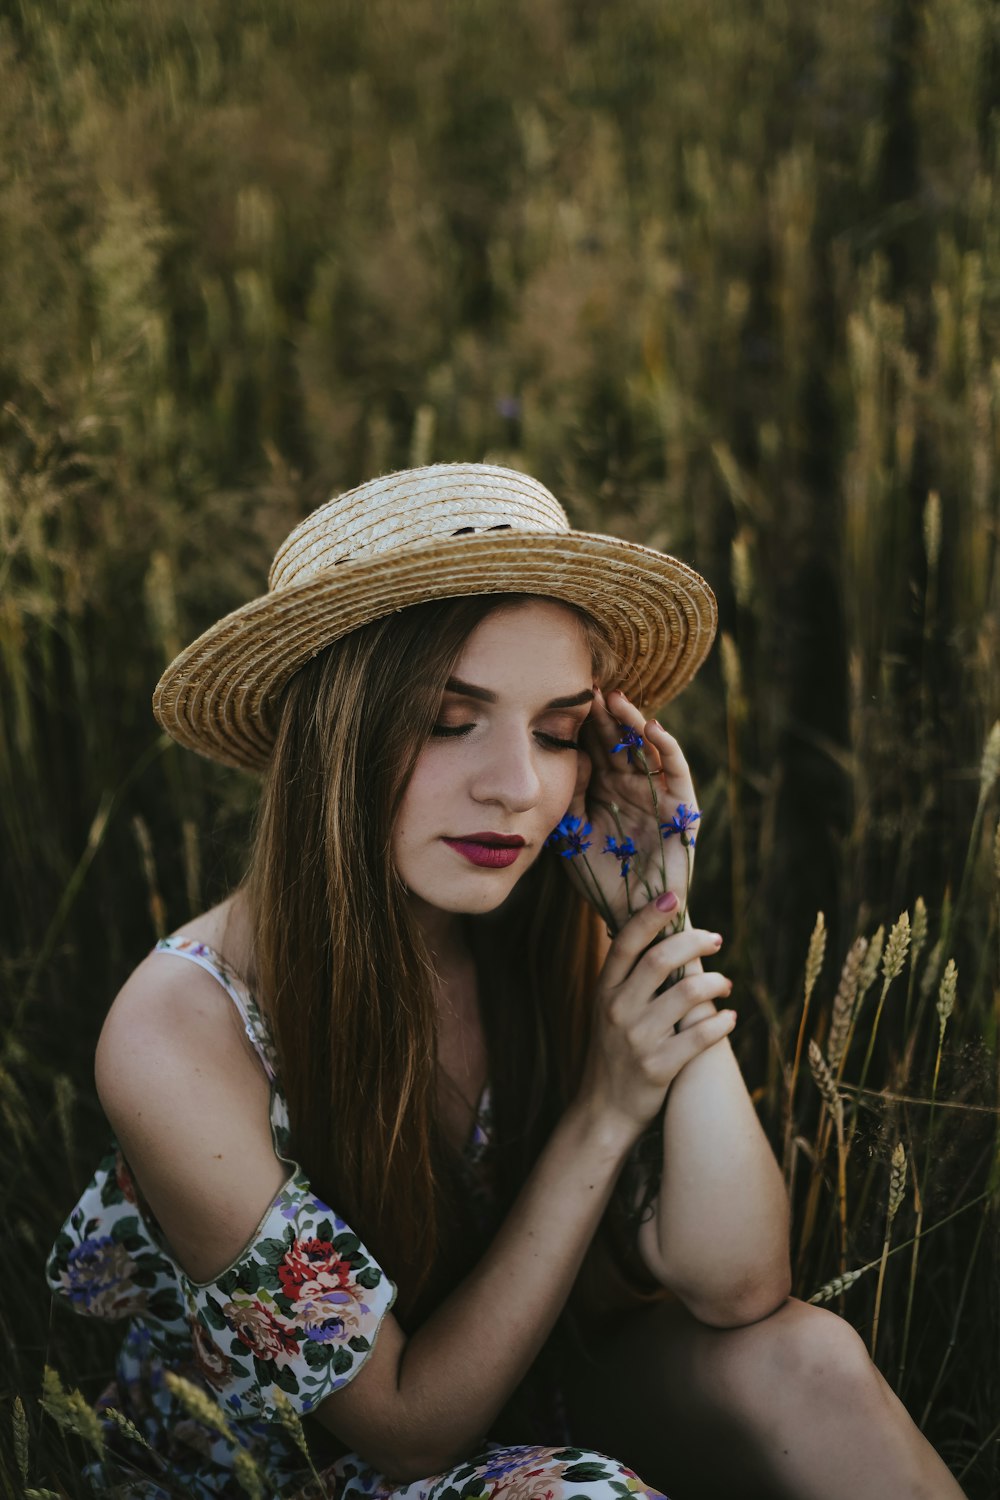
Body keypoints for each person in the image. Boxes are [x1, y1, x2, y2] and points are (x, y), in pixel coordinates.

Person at [47, 463, 966, 1500]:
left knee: (813, 1364)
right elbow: (399, 1431)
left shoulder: (536, 920)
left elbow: (739, 1285)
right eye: (451, 719)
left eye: (559, 730)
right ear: (333, 735)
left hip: (535, 1387)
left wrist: (650, 919)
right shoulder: (180, 1030)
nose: (519, 788)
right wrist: (604, 1111)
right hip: (295, 1468)